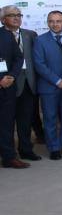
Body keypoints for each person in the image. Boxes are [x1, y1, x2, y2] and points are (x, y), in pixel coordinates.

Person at [33, 11, 62, 160]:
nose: (55, 24)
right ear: (47, 22)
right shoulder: (40, 40)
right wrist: (58, 81)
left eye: (58, 21)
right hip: (49, 87)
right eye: (51, 21)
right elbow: (39, 65)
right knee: (50, 118)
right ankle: (54, 148)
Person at [2, 6, 40, 161]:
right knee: (6, 123)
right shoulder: (1, 35)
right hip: (7, 86)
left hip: (28, 84)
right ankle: (8, 155)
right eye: (12, 15)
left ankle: (26, 150)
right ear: (3, 19)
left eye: (19, 15)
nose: (17, 18)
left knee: (25, 121)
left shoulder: (30, 35)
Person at [0, 21, 26, 168]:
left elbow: (18, 57)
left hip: (7, 87)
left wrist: (11, 76)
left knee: (6, 125)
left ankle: (9, 157)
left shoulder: (6, 34)